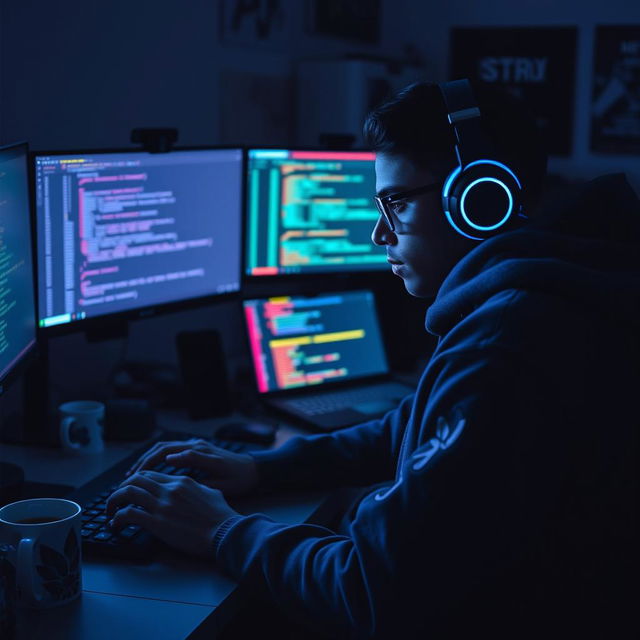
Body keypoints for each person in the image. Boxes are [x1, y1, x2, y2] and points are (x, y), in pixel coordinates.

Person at [106, 80, 638, 639]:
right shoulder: (543, 293)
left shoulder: (506, 342)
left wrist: (219, 530)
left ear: (481, 199)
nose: (378, 231)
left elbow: (370, 589)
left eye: (398, 202)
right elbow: (414, 426)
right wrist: (263, 469)